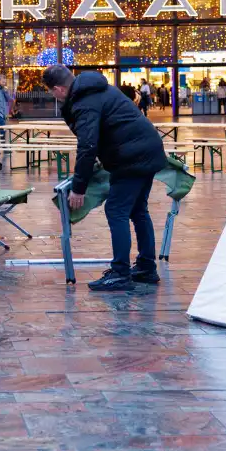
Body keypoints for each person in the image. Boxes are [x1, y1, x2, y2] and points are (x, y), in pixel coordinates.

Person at [43, 65, 167, 292]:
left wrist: (79, 188)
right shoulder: (97, 89)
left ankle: (120, 273)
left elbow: (88, 145)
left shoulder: (84, 102)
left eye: (52, 92)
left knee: (116, 210)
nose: (54, 97)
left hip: (133, 156)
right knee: (138, 210)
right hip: (147, 150)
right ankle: (146, 267)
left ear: (60, 89)